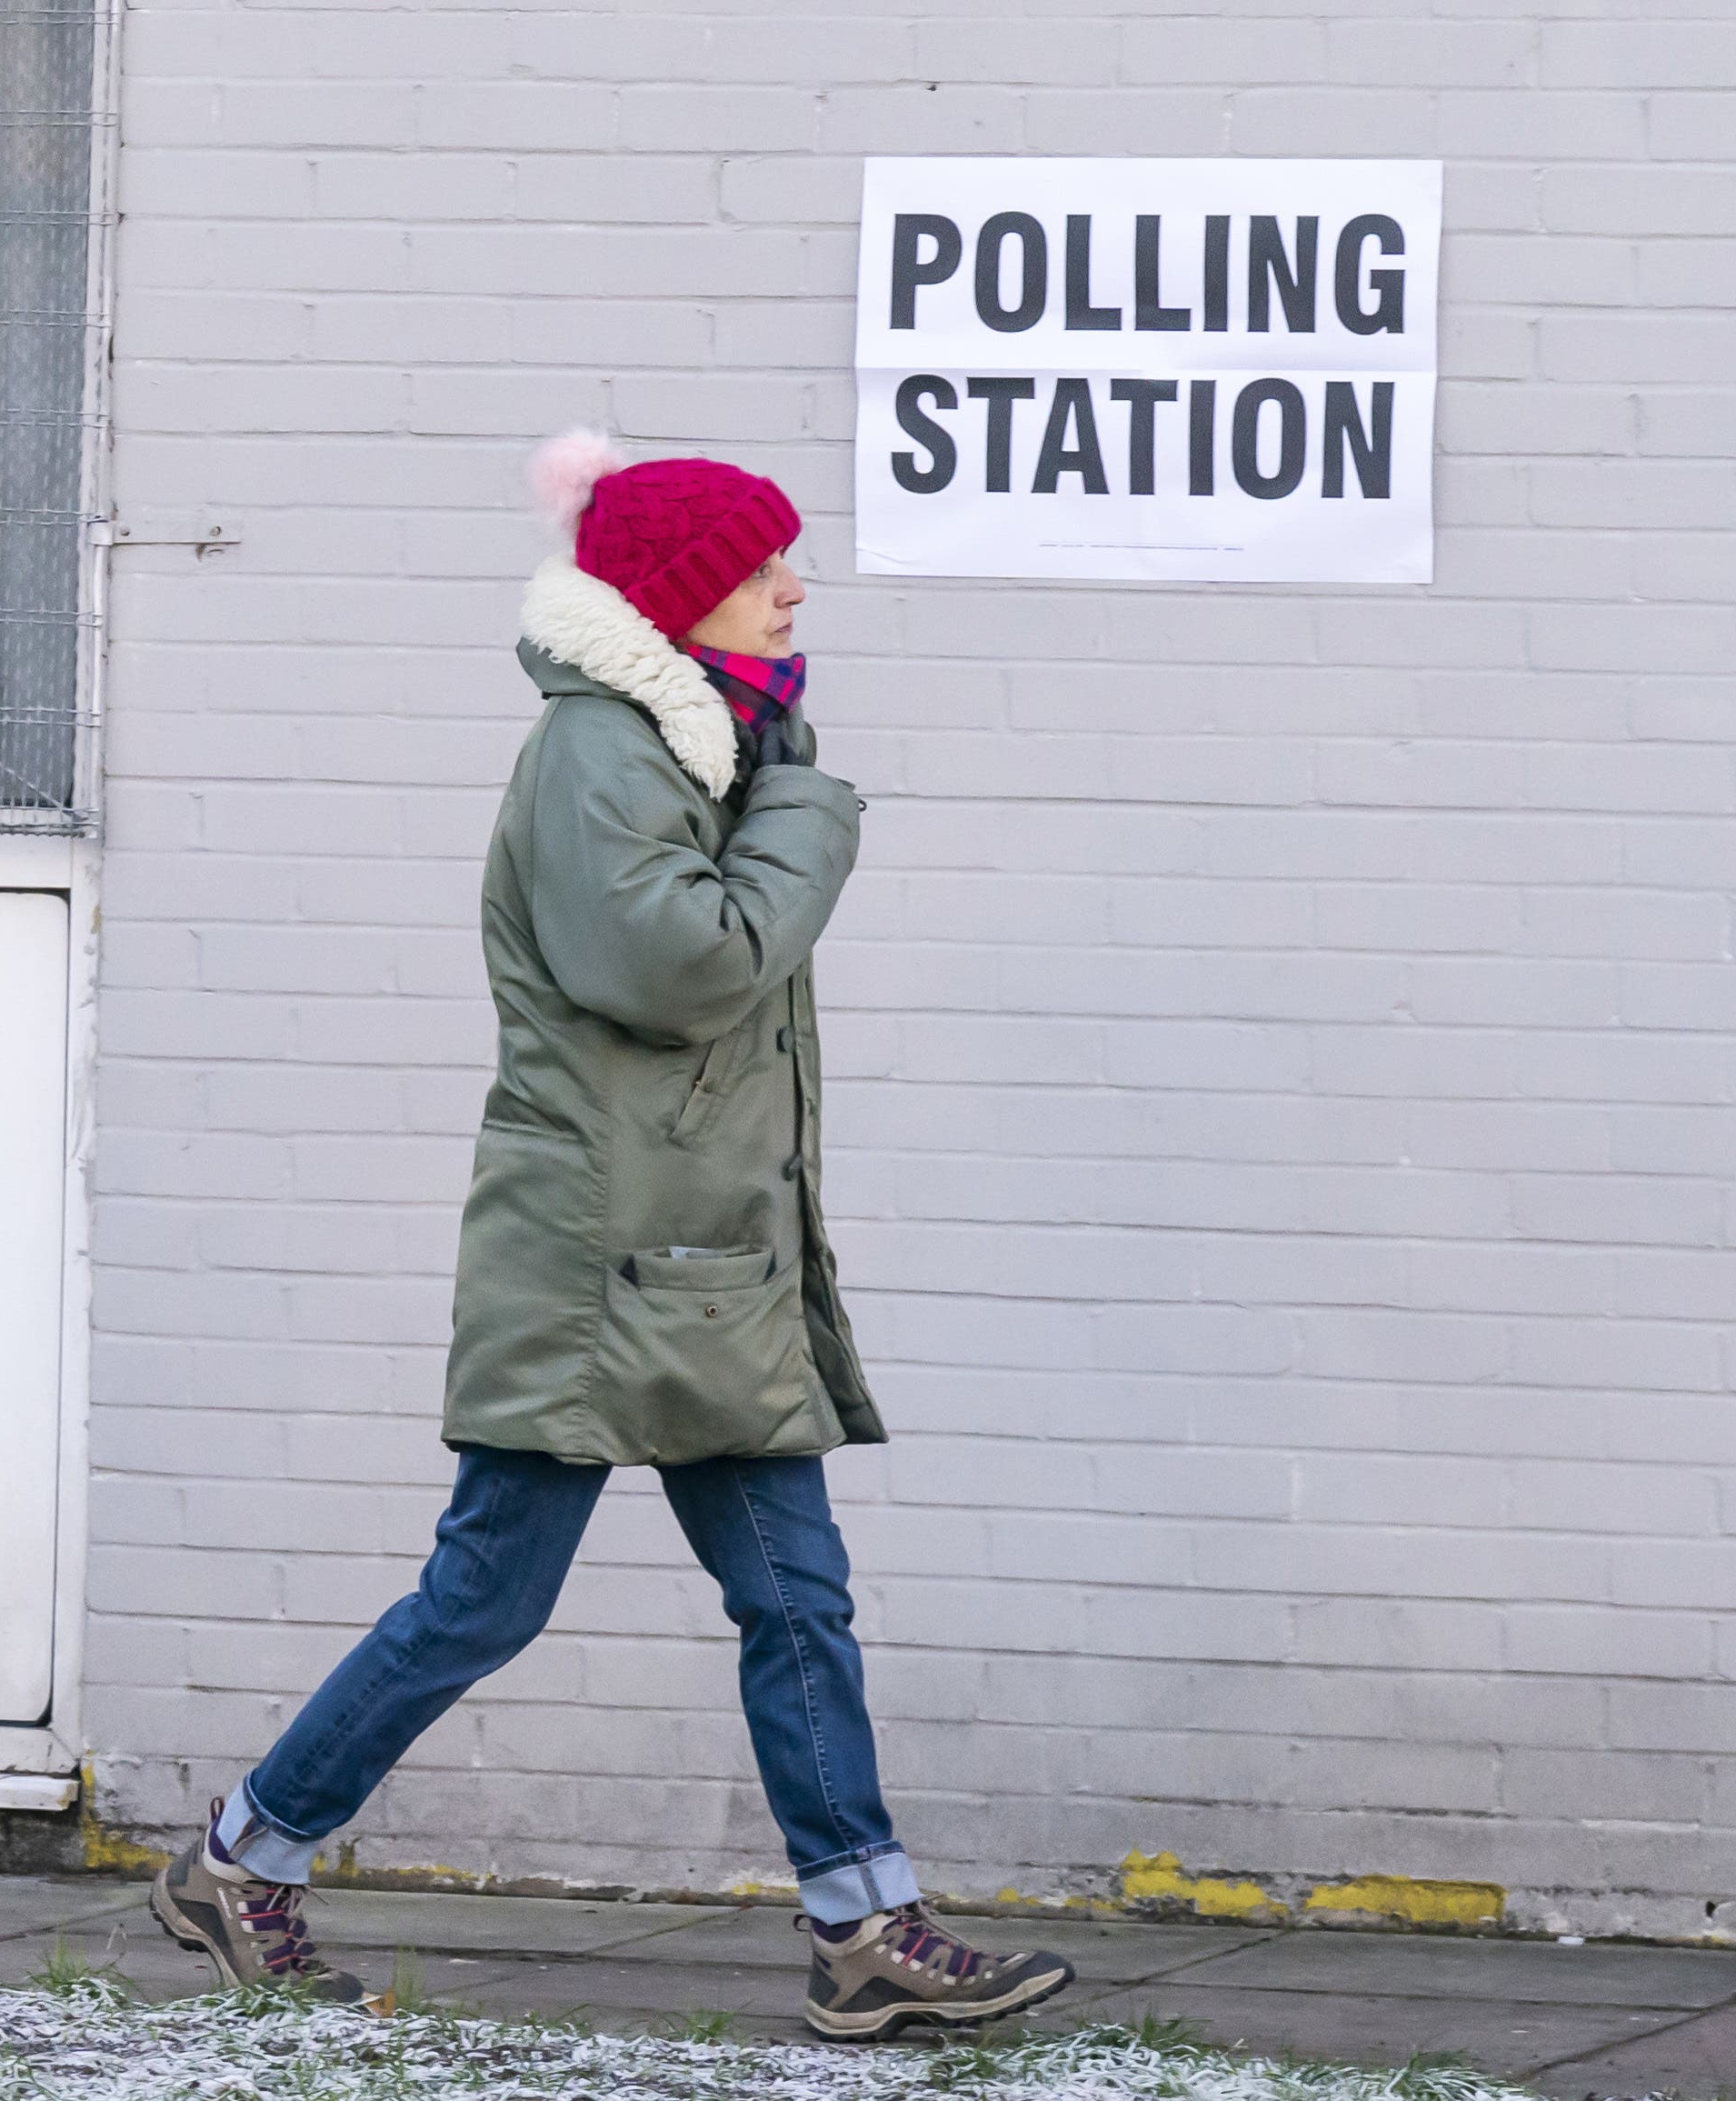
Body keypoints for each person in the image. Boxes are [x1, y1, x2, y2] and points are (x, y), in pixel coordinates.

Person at [150, 433, 1075, 2041]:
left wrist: (779, 790)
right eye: (761, 562)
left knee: (799, 1598)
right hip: (597, 1268)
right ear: (676, 595)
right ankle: (242, 1860)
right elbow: (686, 967)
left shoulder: (702, 745)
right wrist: (809, 815)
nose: (796, 586)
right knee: (486, 1601)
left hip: (705, 1259)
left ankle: (865, 1926)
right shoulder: (609, 756)